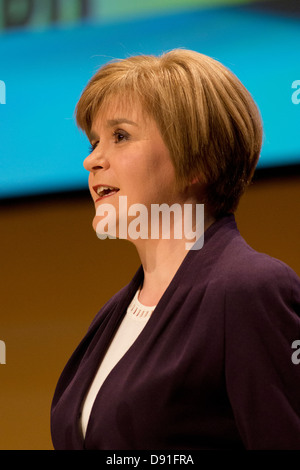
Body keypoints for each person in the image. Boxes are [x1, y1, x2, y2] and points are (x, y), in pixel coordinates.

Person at [50, 49, 300, 450]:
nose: (91, 160)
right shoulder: (114, 314)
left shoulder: (249, 289)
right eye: (95, 141)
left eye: (120, 136)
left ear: (197, 159)